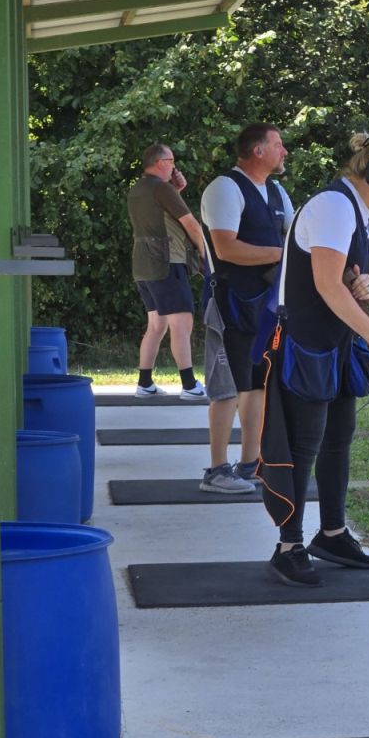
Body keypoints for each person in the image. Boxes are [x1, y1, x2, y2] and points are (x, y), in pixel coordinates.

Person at [261, 132, 369, 586]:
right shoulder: (332, 207)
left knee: (339, 437)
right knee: (302, 445)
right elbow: (327, 285)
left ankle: (332, 532)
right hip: (307, 340)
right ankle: (288, 546)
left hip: (341, 342)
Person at [199, 123, 293, 495]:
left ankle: (249, 463)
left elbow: (293, 239)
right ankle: (216, 470)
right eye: (278, 145)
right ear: (258, 150)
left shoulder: (276, 191)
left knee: (256, 384)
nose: (284, 151)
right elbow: (226, 249)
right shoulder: (225, 188)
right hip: (230, 306)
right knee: (225, 388)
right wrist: (282, 256)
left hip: (265, 309)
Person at [128, 143, 207, 400]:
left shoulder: (138, 190)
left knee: (156, 324)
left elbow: (161, 214)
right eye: (171, 161)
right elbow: (191, 225)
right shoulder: (162, 188)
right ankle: (189, 385)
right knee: (181, 323)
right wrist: (206, 253)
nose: (174, 166)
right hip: (167, 263)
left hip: (143, 265)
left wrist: (177, 191)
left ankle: (145, 383)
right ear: (159, 162)